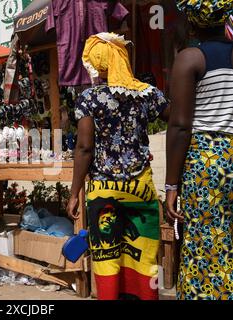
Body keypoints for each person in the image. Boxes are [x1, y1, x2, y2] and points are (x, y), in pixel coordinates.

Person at [66, 33, 169, 300]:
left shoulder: (89, 98)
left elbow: (85, 148)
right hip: (140, 187)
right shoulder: (146, 95)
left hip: (103, 190)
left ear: (96, 63)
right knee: (144, 256)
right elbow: (177, 119)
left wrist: (74, 192)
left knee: (107, 257)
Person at [166, 1, 233, 300]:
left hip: (207, 161)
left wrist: (171, 185)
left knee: (204, 242)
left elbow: (180, 126)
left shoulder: (190, 59)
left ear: (192, 23)